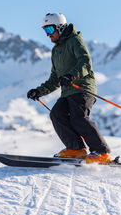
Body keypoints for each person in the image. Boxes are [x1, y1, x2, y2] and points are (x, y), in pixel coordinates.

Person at [27, 13, 111, 164]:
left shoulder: (74, 41)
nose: (48, 35)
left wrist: (72, 76)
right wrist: (39, 91)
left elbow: (85, 62)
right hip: (67, 91)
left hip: (83, 88)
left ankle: (102, 151)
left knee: (78, 118)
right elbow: (54, 79)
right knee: (56, 114)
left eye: (50, 30)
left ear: (60, 26)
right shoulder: (56, 51)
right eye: (45, 31)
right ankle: (76, 149)